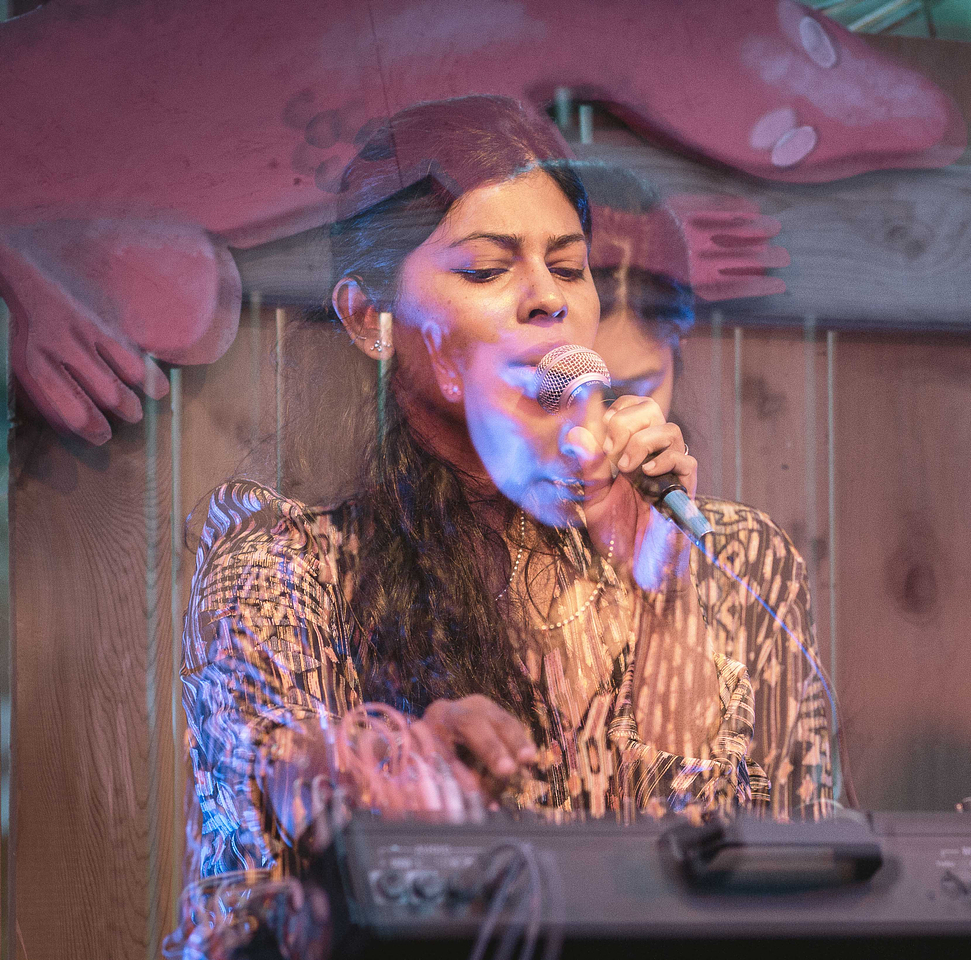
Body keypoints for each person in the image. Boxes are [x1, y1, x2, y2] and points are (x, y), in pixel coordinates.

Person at [168, 97, 831, 960]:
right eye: (486, 272)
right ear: (371, 319)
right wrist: (391, 775)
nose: (547, 301)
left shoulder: (730, 557)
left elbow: (788, 893)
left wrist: (667, 599)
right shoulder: (283, 571)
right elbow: (265, 854)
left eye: (570, 267)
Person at [576, 161, 841, 823]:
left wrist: (665, 585)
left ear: (676, 357)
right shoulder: (481, 547)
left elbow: (798, 826)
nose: (607, 423)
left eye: (630, 389)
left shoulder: (745, 554)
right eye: (583, 392)